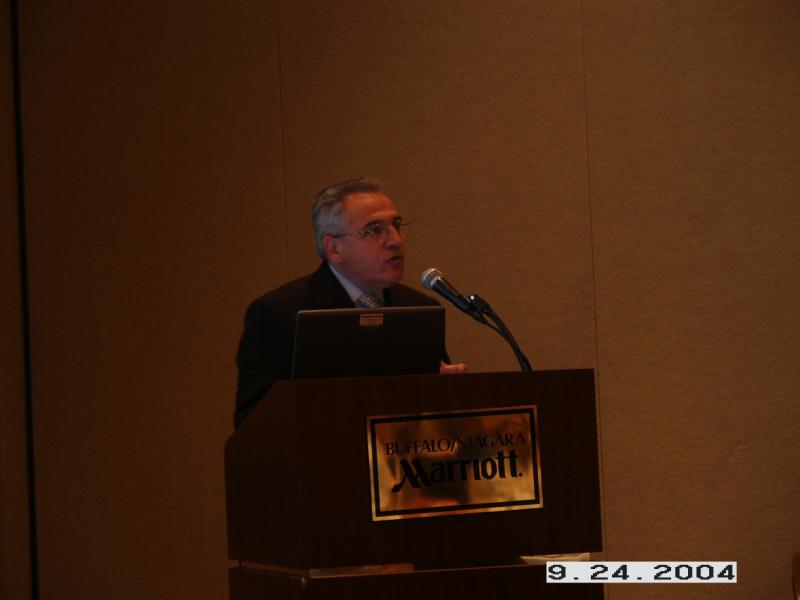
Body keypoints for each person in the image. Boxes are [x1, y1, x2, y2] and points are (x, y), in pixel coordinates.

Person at [234, 177, 466, 427]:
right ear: (334, 249)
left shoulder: (420, 308)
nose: (395, 240)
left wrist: (444, 389)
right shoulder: (279, 312)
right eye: (374, 230)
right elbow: (253, 422)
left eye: (396, 225)